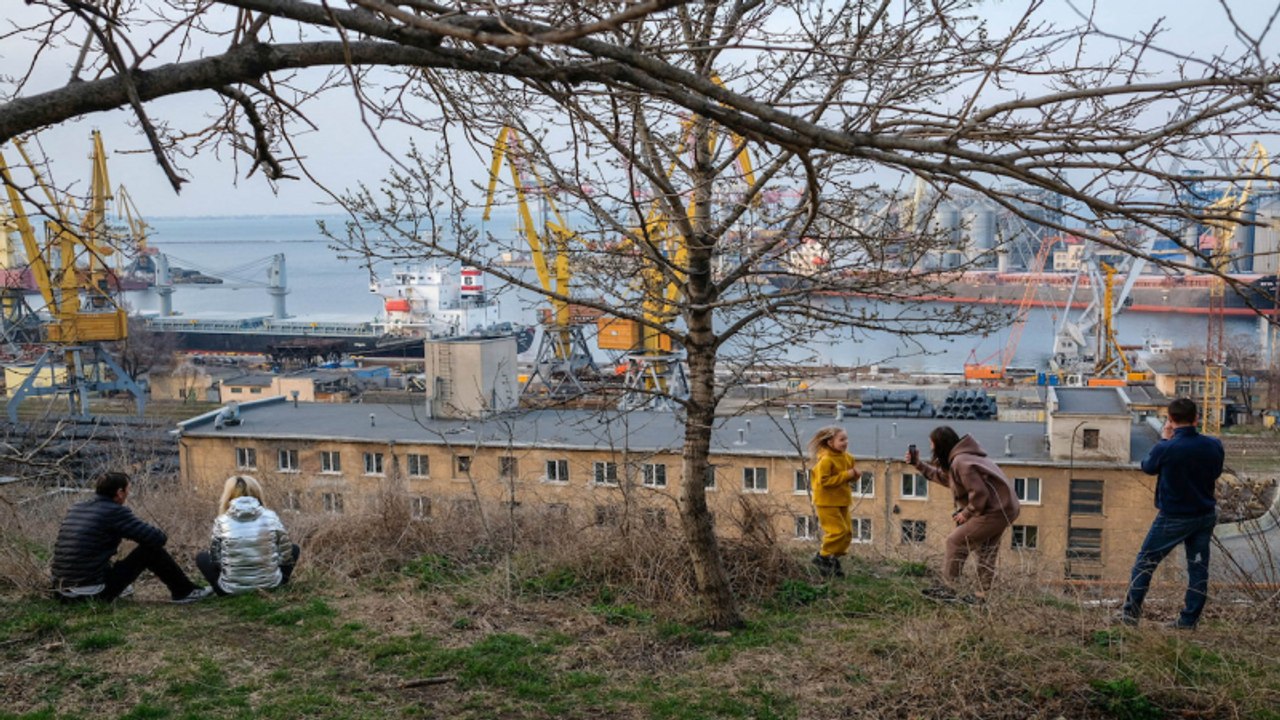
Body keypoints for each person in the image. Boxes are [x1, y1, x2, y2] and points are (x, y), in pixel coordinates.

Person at [1120, 398, 1224, 629]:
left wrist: (1165, 439)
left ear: (1170, 419)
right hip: (1204, 515)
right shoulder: (1214, 445)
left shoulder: (1166, 448)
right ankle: (1189, 620)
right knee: (1198, 569)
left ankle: (1130, 615)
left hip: (1173, 517)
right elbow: (1216, 472)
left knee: (1145, 562)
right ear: (1196, 418)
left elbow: (1148, 467)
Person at [51, 471, 212, 604]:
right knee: (150, 551)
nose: (128, 494)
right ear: (119, 493)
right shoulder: (115, 512)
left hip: (61, 592)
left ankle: (111, 587)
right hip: (90, 595)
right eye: (128, 490)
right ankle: (185, 592)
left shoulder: (77, 508)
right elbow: (158, 539)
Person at [906, 426, 1020, 601]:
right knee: (986, 550)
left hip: (995, 510)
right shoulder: (964, 457)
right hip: (1005, 507)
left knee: (956, 542)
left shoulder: (961, 462)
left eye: (932, 445)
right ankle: (982, 596)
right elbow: (946, 479)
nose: (931, 448)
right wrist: (918, 464)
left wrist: (967, 513)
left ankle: (949, 589)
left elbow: (979, 492)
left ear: (941, 445)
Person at [196, 475, 299, 595]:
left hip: (230, 590)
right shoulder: (271, 516)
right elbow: (286, 554)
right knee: (294, 548)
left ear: (227, 496)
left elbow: (215, 558)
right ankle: (272, 582)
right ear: (257, 493)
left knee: (202, 557)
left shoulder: (222, 521)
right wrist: (271, 563)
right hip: (272, 584)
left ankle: (228, 587)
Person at [808, 426, 859, 578]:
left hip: (842, 500)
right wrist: (847, 474)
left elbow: (847, 478)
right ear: (830, 443)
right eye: (841, 439)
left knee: (847, 533)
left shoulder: (848, 457)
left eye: (846, 439)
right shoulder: (826, 460)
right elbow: (824, 482)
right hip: (826, 501)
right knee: (837, 531)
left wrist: (855, 476)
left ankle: (832, 558)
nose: (846, 442)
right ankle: (822, 557)